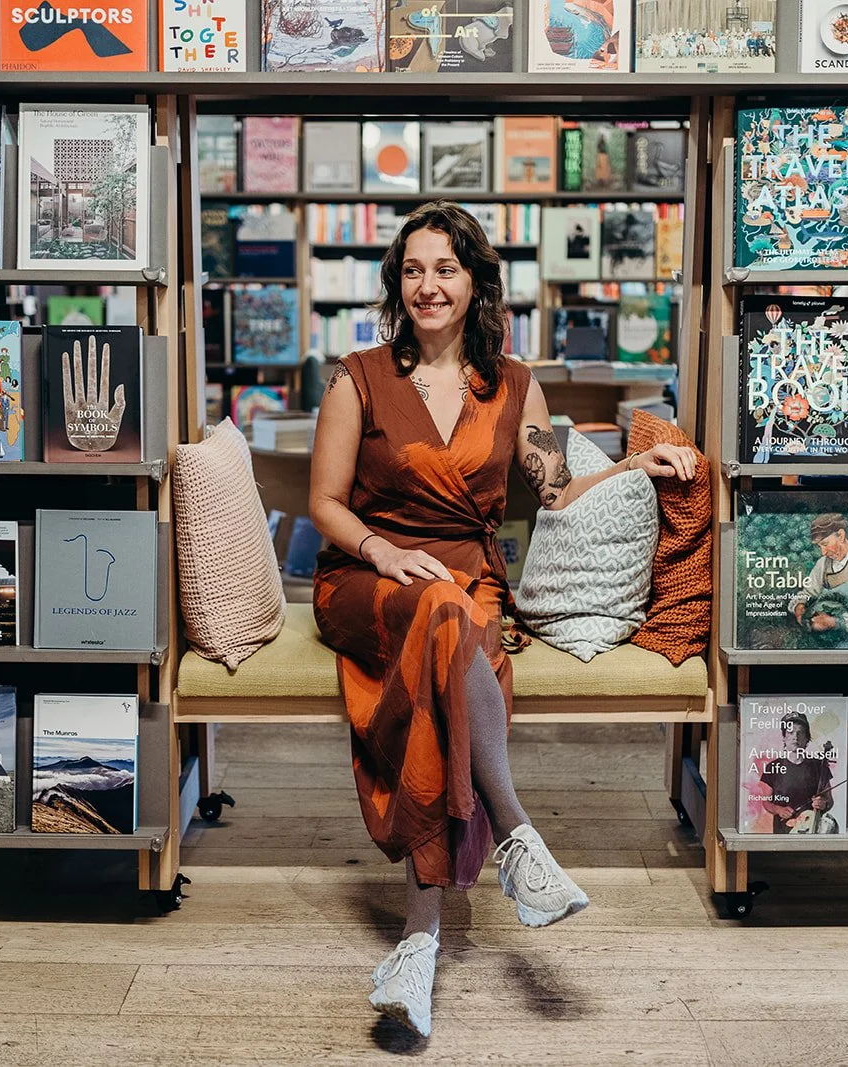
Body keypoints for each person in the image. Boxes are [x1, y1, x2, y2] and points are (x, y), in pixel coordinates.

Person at [309, 201, 698, 1038]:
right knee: (448, 618)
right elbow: (325, 505)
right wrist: (381, 551)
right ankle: (519, 835)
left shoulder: (515, 384)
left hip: (462, 587)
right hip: (367, 581)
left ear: (476, 280)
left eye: (445, 268)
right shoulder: (358, 376)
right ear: (395, 284)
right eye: (412, 270)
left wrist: (636, 464)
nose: (428, 285)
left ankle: (418, 946)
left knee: (448, 638)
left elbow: (553, 490)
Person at [788, 512, 848, 648]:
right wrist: (799, 605)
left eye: (825, 544)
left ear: (841, 535)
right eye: (819, 546)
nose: (823, 552)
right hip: (827, 638)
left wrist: (836, 622)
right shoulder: (823, 564)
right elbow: (808, 592)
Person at [759, 711, 837, 834]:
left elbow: (829, 801)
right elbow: (766, 802)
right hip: (783, 832)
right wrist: (779, 809)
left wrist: (824, 804)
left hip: (812, 830)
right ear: (784, 737)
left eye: (800, 733)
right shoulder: (773, 767)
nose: (796, 737)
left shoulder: (819, 766)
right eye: (790, 732)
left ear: (807, 738)